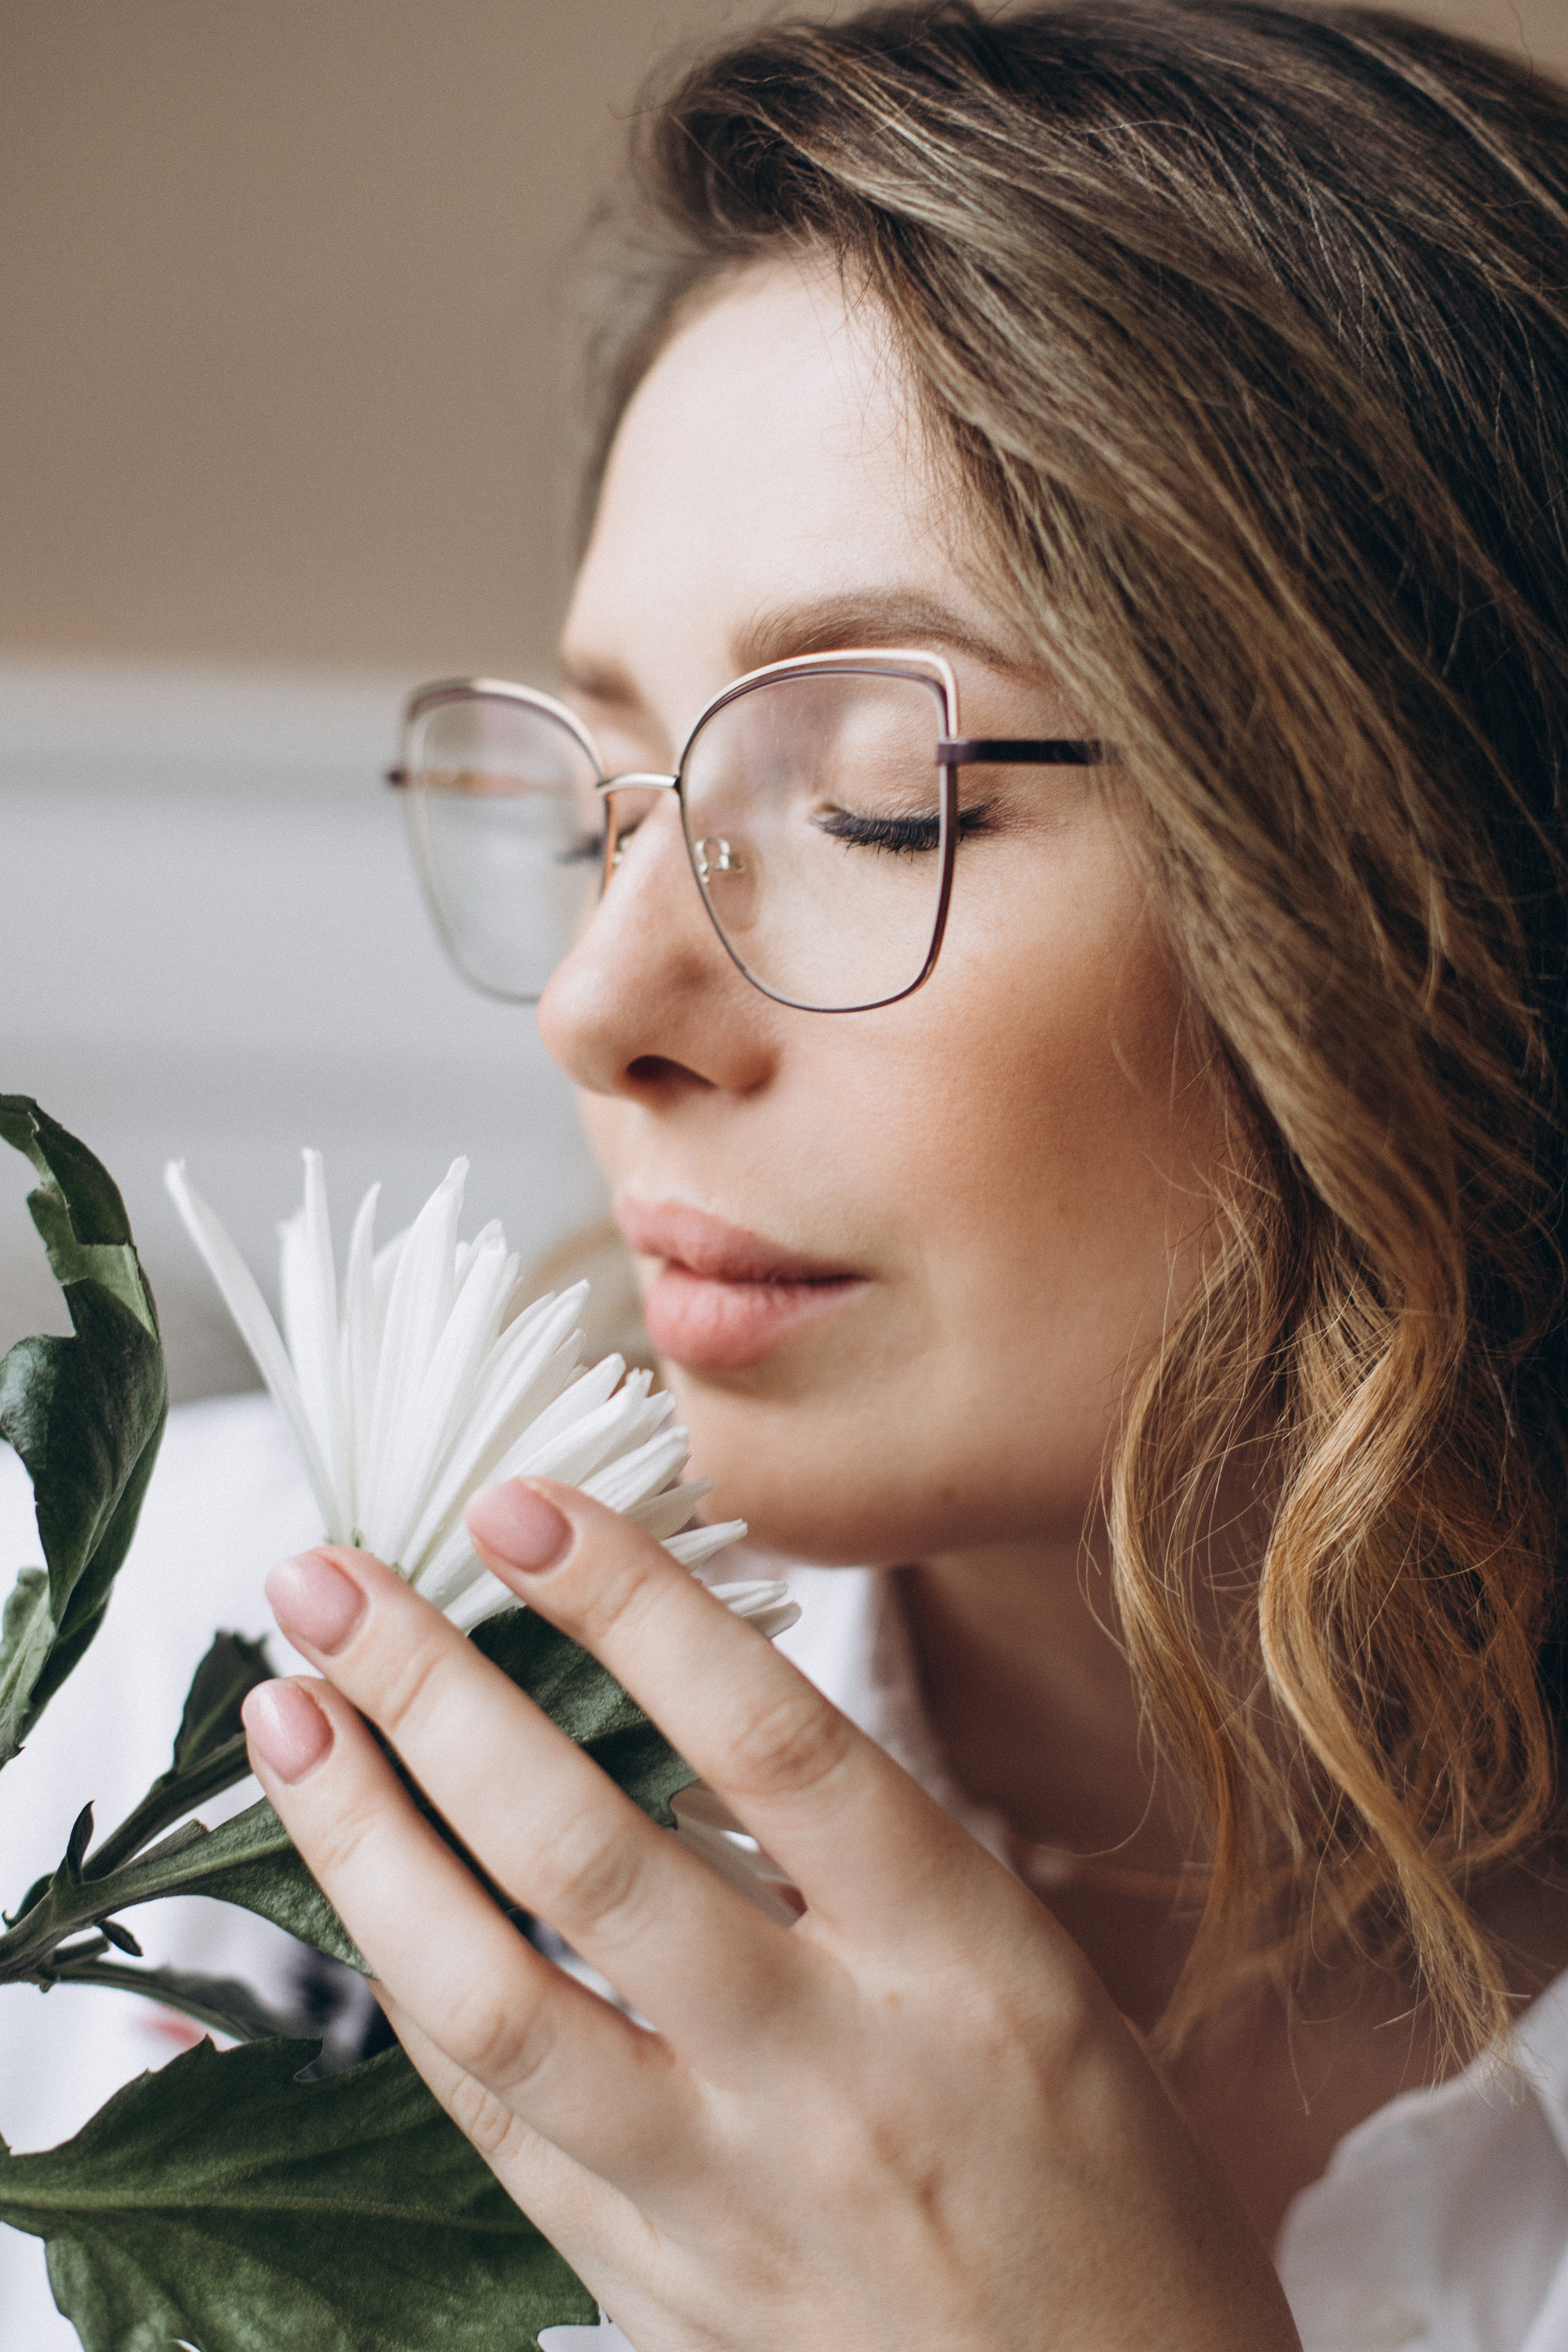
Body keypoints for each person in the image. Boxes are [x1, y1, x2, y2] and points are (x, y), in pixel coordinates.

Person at [157, 1, 1568, 2343]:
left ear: (1445, 886)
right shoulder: (161, 1681)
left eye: (874, 801)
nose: (600, 1008)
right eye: (610, 795)